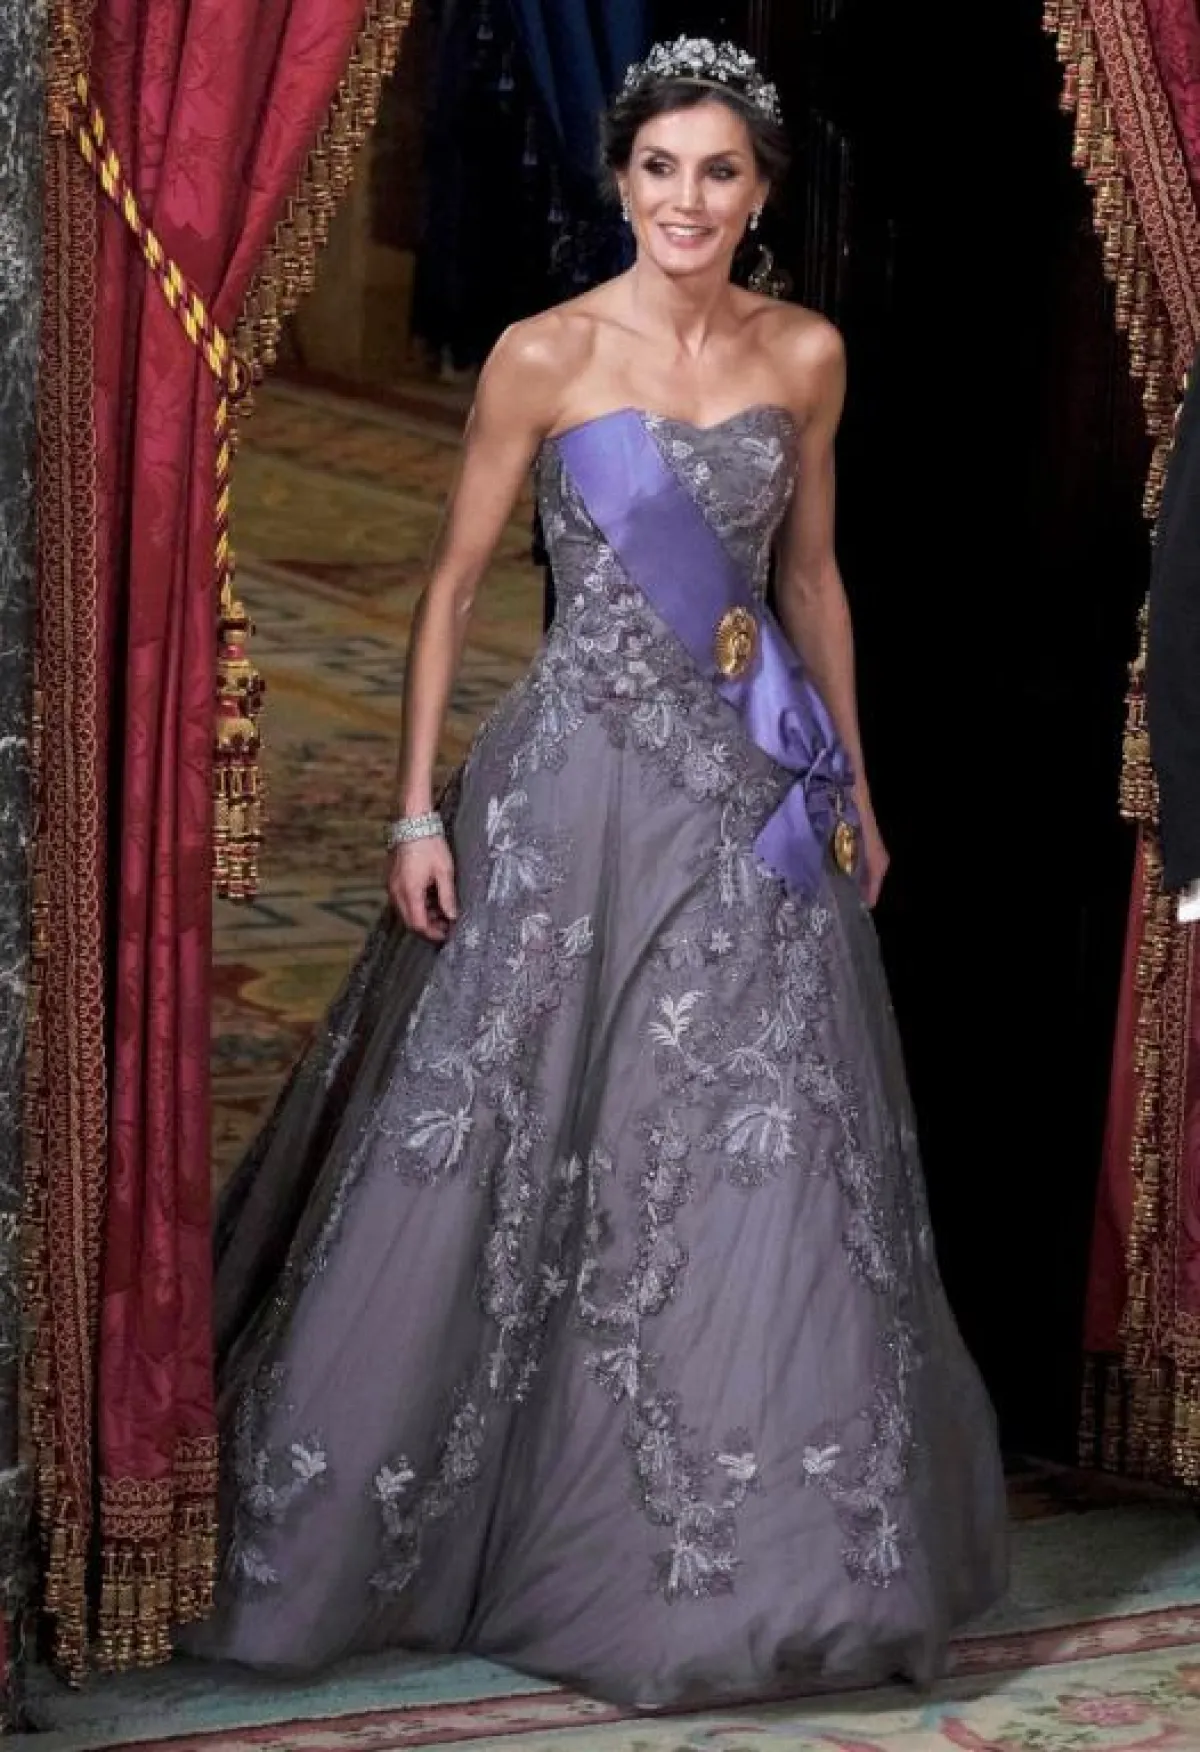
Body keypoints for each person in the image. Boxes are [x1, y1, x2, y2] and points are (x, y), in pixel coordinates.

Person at [191, 37, 1008, 1712]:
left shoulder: (807, 353)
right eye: (659, 168)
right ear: (620, 180)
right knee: (511, 1145)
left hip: (749, 804)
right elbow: (450, 586)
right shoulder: (543, 354)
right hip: (569, 799)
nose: (686, 200)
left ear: (761, 193)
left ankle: (754, 1558)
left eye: (720, 172)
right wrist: (413, 811)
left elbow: (813, 582)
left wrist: (853, 785)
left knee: (751, 1151)